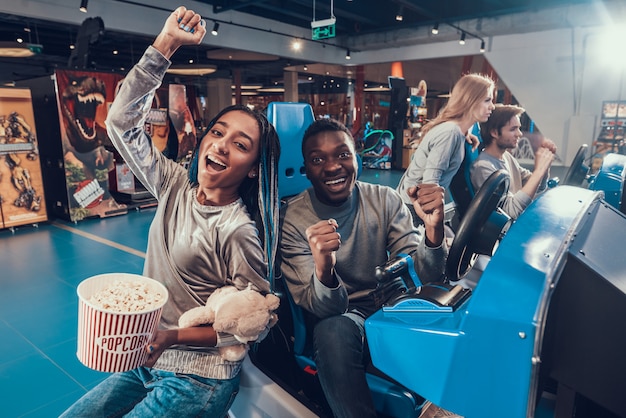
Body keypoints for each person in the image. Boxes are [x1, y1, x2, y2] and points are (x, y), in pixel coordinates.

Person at [61, 6, 281, 417]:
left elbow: (253, 323)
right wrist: (166, 44)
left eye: (240, 144)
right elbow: (121, 122)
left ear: (253, 171)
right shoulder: (174, 184)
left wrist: (173, 337)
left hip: (201, 376)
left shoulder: (238, 230)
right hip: (148, 356)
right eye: (218, 132)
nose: (220, 145)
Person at [279, 118, 449, 418]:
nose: (332, 167)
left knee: (458, 305)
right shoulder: (293, 219)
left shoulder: (384, 199)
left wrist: (434, 232)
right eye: (318, 159)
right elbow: (325, 310)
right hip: (345, 317)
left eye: (342, 154)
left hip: (390, 305)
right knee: (332, 330)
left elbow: (421, 278)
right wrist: (324, 268)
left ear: (356, 157)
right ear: (306, 167)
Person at [396, 73, 496, 221]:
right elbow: (429, 186)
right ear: (469, 101)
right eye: (487, 100)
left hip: (414, 205)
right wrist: (433, 227)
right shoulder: (450, 133)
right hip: (415, 209)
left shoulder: (459, 131)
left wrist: (466, 135)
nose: (492, 106)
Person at [470, 104, 556, 220]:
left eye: (519, 128)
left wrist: (545, 166)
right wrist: (539, 171)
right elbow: (511, 212)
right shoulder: (483, 168)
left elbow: (538, 186)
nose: (519, 134)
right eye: (513, 129)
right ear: (494, 133)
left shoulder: (506, 156)